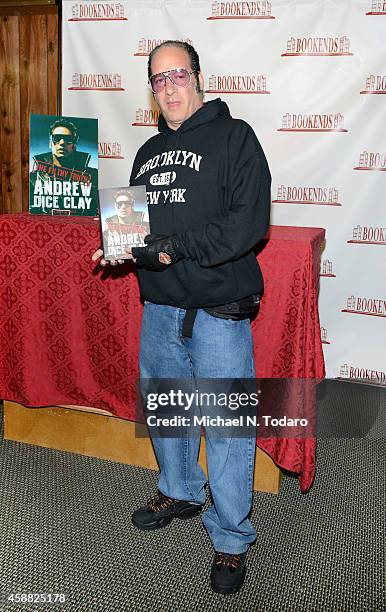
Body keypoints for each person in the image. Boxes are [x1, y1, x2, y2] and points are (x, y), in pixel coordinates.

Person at [92, 40, 271, 595]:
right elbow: (143, 234)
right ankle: (180, 490)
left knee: (227, 431)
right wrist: (122, 247)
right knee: (168, 415)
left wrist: (173, 245)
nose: (168, 87)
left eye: (178, 75)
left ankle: (232, 538)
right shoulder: (147, 153)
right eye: (158, 79)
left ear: (197, 77)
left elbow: (247, 227)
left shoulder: (236, 138)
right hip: (162, 310)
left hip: (218, 313)